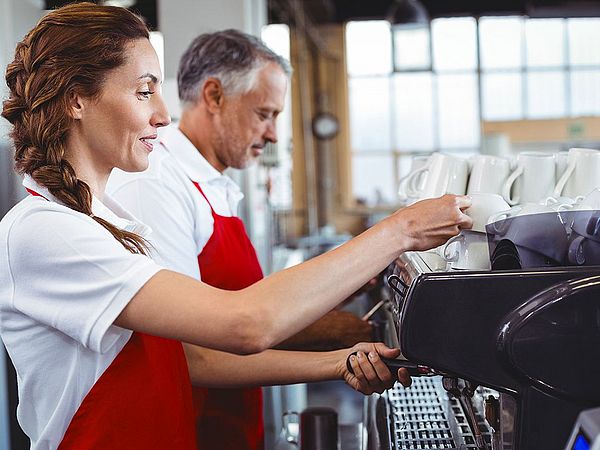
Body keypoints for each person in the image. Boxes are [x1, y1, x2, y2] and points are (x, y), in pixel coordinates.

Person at [0, 3, 472, 449]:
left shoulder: (108, 221)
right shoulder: (47, 231)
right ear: (77, 99)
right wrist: (402, 230)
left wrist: (339, 362)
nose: (163, 116)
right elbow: (243, 324)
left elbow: (189, 360)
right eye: (144, 91)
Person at [106, 29, 374, 450]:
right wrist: (340, 355)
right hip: (184, 431)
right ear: (214, 96)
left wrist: (344, 288)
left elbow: (251, 305)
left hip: (230, 426)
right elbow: (189, 355)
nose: (271, 135)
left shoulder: (216, 185)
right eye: (265, 114)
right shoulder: (156, 183)